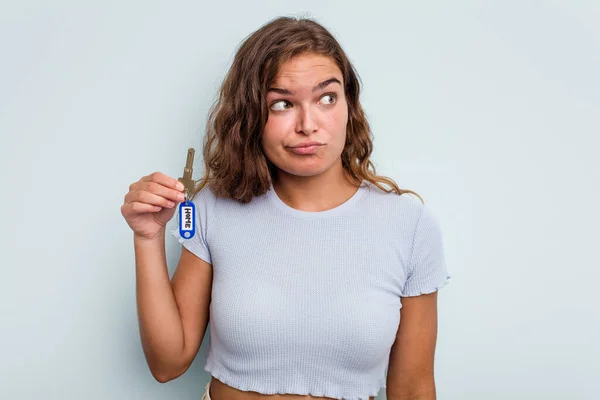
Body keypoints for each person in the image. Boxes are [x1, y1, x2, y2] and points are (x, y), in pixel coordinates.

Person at [121, 16, 450, 400]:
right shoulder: (212, 209)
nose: (308, 125)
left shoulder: (409, 226)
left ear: (349, 104)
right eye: (282, 104)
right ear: (251, 118)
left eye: (327, 97)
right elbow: (167, 363)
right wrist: (147, 238)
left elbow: (412, 387)